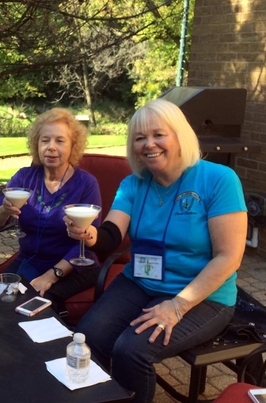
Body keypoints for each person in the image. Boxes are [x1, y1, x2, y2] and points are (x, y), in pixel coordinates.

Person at [67, 99, 247, 403]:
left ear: (180, 135)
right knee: (90, 335)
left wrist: (176, 306)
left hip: (202, 295)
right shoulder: (134, 183)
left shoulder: (218, 180)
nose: (149, 144)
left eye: (158, 134)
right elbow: (111, 234)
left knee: (130, 350)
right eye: (139, 138)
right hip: (142, 280)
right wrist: (90, 234)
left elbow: (229, 257)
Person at [0, 108, 102, 313]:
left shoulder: (86, 183)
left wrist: (50, 276)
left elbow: (88, 243)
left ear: (73, 145)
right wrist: (4, 210)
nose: (51, 147)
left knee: (39, 303)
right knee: (1, 299)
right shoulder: (24, 177)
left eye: (60, 140)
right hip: (29, 259)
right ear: (36, 145)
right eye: (45, 140)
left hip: (74, 266)